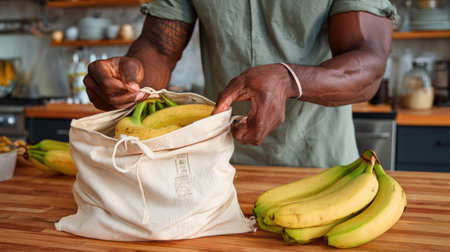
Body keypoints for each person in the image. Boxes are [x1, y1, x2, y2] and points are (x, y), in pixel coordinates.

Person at [84, 0, 398, 168]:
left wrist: (288, 79)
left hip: (317, 163)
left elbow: (368, 63)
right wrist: (132, 78)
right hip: (215, 162)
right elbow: (158, 46)